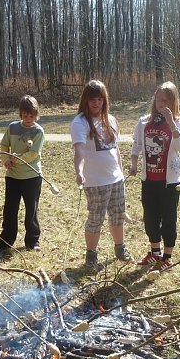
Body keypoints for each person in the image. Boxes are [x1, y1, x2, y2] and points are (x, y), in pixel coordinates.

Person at [70, 79, 132, 270]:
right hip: (95, 181)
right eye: (92, 99)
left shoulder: (111, 120)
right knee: (96, 219)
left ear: (105, 100)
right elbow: (79, 150)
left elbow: (115, 150)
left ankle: (120, 248)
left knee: (118, 215)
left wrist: (120, 172)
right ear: (85, 100)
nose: (96, 103)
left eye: (100, 99)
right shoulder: (80, 122)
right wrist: (79, 171)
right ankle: (91, 256)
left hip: (116, 179)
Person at [128, 81, 180, 272]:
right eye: (159, 100)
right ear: (154, 99)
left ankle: (167, 257)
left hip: (170, 182)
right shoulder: (144, 121)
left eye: (166, 101)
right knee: (150, 218)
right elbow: (137, 145)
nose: (162, 104)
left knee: (169, 219)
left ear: (173, 102)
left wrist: (171, 124)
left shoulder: (178, 122)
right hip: (149, 180)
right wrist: (133, 163)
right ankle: (155, 252)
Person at [0, 95, 45, 252]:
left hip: (32, 177)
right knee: (10, 209)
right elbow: (4, 146)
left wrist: (16, 159)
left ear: (36, 115)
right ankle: (6, 241)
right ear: (20, 114)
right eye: (25, 115)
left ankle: (32, 241)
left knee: (31, 209)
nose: (28, 119)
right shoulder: (12, 127)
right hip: (13, 176)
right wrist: (6, 160)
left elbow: (33, 154)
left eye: (31, 116)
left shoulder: (38, 131)